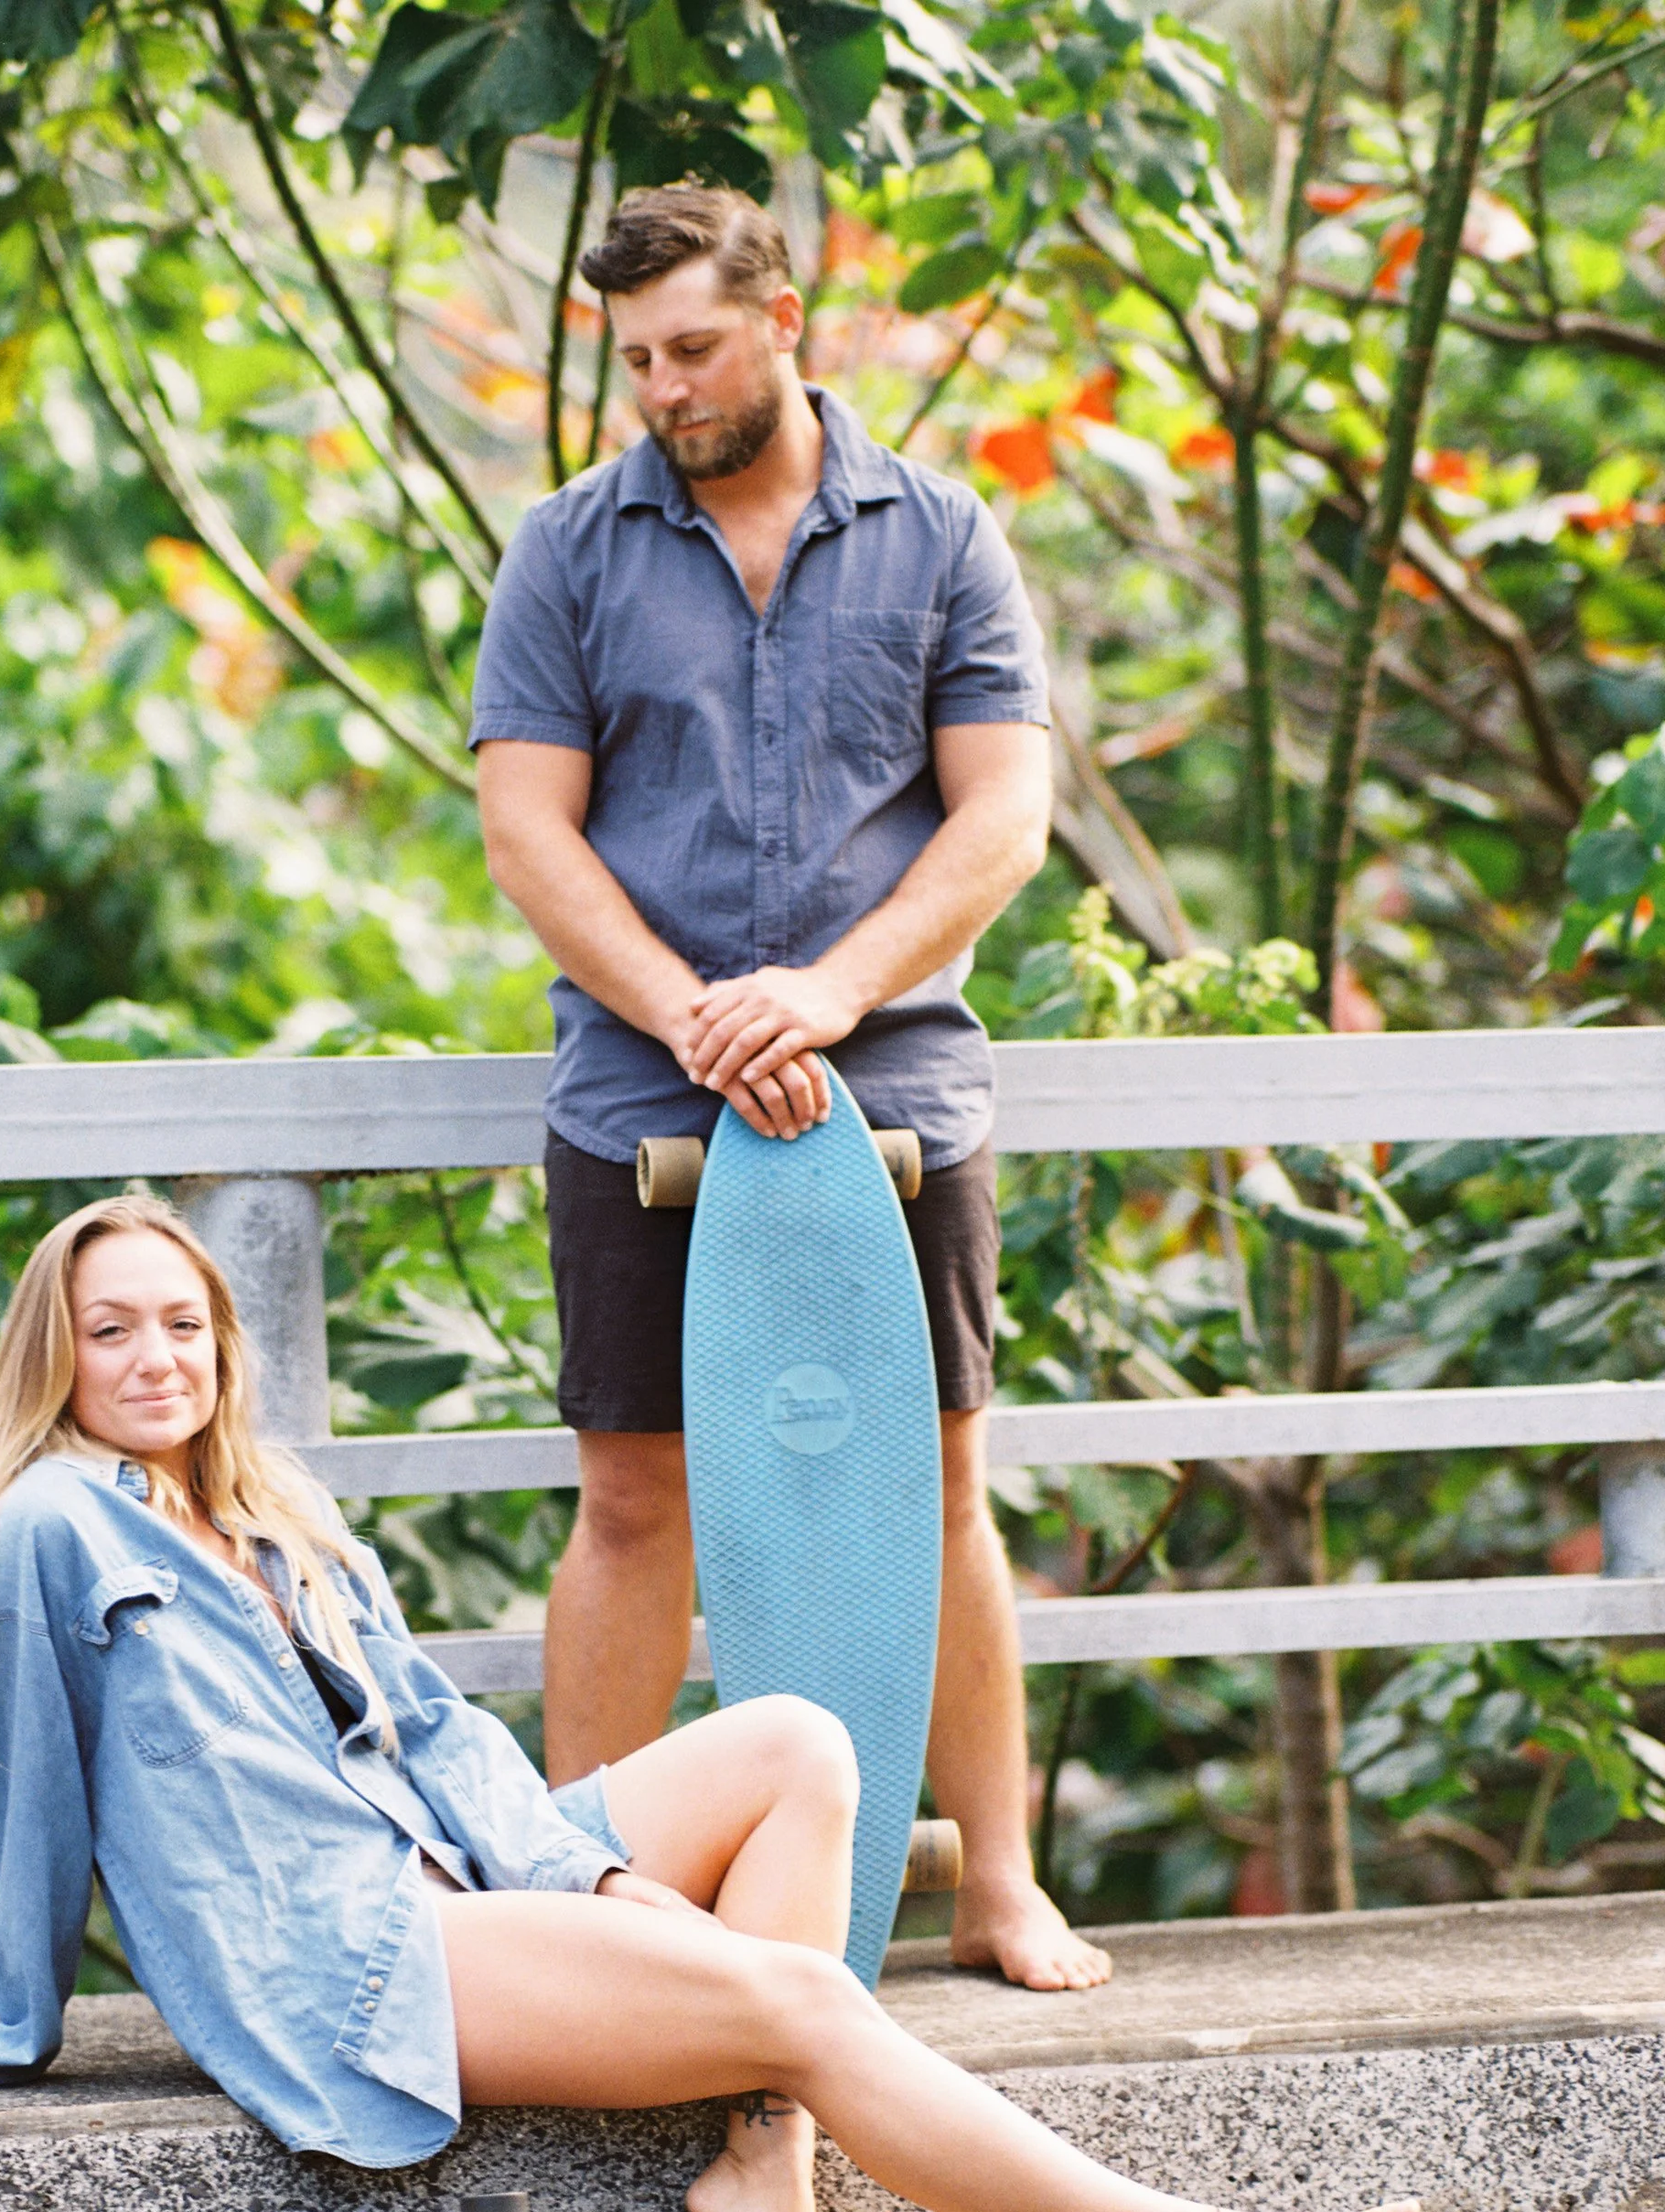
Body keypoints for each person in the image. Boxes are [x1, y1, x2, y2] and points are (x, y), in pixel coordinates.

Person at [0, 1200, 1420, 2212]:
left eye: (183, 1323)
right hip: (344, 1954)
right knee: (799, 2000)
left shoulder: (269, 1515)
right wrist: (6, 2030)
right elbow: (25, 1801)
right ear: (57, 1354)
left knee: (803, 1746)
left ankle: (767, 2169)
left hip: (449, 1870)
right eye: (112, 1331)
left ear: (225, 1347)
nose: (155, 1358)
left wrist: (581, 1869)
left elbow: (435, 1729)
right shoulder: (39, 1535)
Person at [473, 181, 1108, 2001]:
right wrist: (694, 1015)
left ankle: (995, 1882)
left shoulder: (944, 539)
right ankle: (585, 1895)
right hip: (636, 1090)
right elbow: (528, 828)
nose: (660, 388)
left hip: (895, 1076)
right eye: (634, 360)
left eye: (690, 349)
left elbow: (1003, 814)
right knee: (629, 1496)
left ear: (785, 321)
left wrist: (824, 995)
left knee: (936, 1484)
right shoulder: (568, 552)